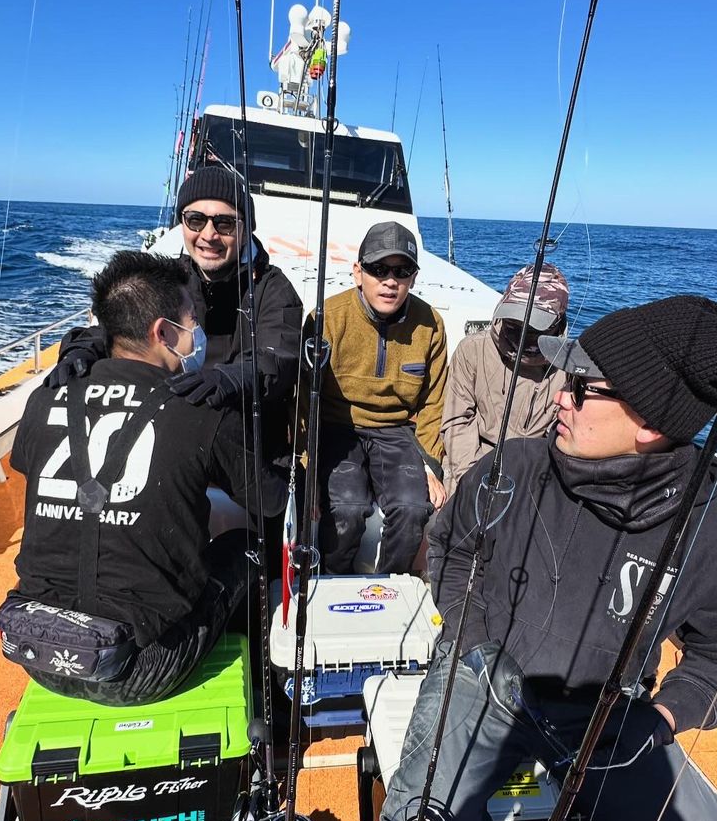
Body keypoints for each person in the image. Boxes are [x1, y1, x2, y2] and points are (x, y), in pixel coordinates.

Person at [379, 294, 717, 821]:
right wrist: (477, 639)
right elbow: (452, 549)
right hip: (484, 677)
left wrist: (659, 719)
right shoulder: (511, 467)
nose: (559, 397)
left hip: (608, 719)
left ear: (652, 424)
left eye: (581, 387)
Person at [1, 250, 284, 705]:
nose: (197, 332)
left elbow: (28, 464)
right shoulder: (199, 411)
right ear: (164, 332)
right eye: (191, 318)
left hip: (36, 653)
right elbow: (273, 501)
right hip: (138, 670)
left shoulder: (46, 398)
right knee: (249, 540)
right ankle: (263, 674)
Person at [50, 167, 303, 476]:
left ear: (247, 228)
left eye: (225, 223)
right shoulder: (167, 280)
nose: (209, 235)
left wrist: (227, 380)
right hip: (166, 435)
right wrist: (79, 350)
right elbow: (115, 327)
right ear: (182, 222)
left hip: (248, 448)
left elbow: (277, 361)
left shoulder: (274, 289)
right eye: (196, 220)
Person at [303, 221, 448, 575]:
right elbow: (302, 399)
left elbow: (434, 401)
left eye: (402, 271)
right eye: (378, 269)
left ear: (413, 277)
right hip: (337, 427)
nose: (390, 280)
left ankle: (387, 584)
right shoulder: (325, 320)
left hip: (397, 430)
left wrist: (430, 462)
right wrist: (307, 465)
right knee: (346, 508)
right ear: (358, 272)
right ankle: (332, 580)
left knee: (413, 507)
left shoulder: (431, 324)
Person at [441, 263, 570, 496]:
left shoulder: (568, 368)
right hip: (471, 463)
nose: (521, 336)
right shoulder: (472, 351)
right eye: (514, 324)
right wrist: (471, 481)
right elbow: (457, 422)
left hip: (532, 473)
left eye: (534, 329)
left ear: (556, 325)